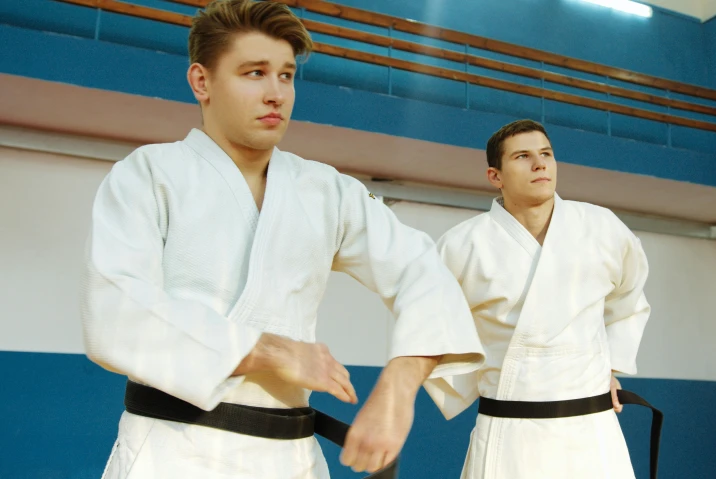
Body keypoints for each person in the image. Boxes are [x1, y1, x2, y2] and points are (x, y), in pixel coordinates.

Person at [80, 1, 484, 477]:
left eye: (287, 76)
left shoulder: (326, 191)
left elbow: (422, 270)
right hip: (173, 451)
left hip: (290, 459)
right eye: (254, 73)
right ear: (201, 82)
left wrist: (399, 386)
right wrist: (268, 350)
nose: (276, 93)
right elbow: (116, 312)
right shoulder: (148, 175)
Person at [424, 119, 653, 478]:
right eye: (523, 156)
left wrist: (609, 366)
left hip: (592, 429)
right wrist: (476, 380)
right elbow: (427, 323)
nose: (540, 163)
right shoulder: (462, 245)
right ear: (495, 176)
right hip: (509, 429)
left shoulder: (601, 227)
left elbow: (630, 300)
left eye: (546, 153)